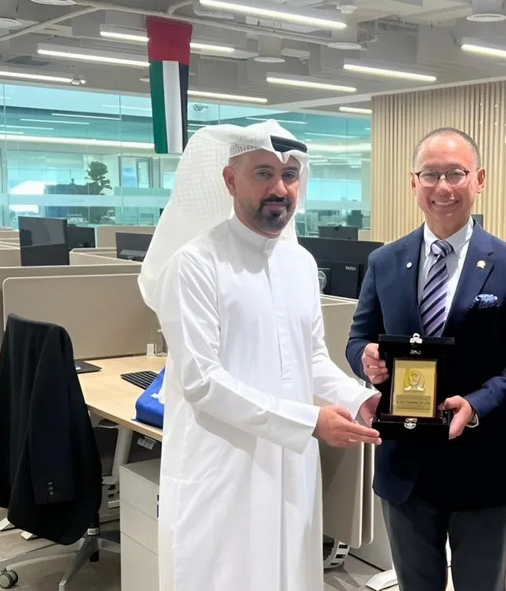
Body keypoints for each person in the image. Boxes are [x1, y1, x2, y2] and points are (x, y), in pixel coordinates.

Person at [137, 120, 382, 591]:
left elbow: (310, 358)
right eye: (264, 173)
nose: (280, 188)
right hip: (223, 469)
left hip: (289, 467)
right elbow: (202, 381)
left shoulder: (300, 264)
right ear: (230, 180)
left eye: (289, 175)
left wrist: (358, 399)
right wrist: (309, 422)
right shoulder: (194, 264)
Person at [346, 127, 506, 591]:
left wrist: (477, 403)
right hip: (404, 466)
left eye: (456, 173)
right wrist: (365, 359)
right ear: (413, 183)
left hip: (481, 463)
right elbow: (358, 339)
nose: (443, 187)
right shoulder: (385, 262)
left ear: (479, 179)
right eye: (430, 175)